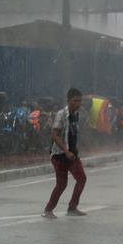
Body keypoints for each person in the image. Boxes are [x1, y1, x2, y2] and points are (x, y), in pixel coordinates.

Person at [42, 88, 87, 218]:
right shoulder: (61, 114)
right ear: (69, 100)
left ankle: (72, 207)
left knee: (82, 178)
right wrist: (66, 151)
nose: (78, 103)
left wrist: (74, 150)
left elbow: (72, 134)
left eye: (80, 101)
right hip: (60, 155)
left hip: (72, 155)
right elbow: (55, 135)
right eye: (75, 101)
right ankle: (48, 209)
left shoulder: (76, 115)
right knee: (61, 184)